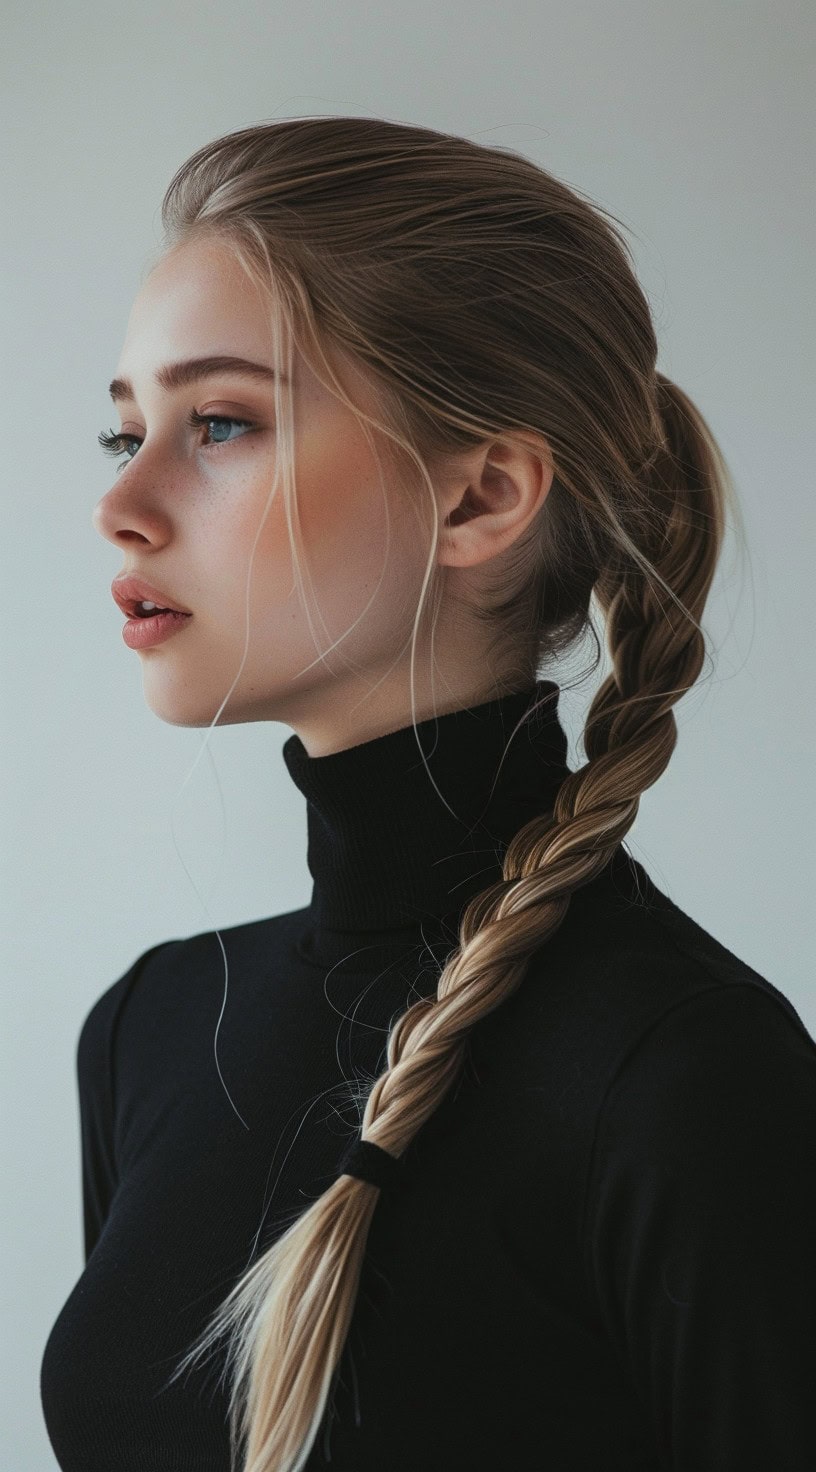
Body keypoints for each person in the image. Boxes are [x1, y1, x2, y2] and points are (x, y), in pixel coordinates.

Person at [40, 117, 816, 1472]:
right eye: (125, 433)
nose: (126, 503)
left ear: (482, 498)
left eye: (219, 423)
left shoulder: (684, 1075)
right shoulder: (147, 1035)